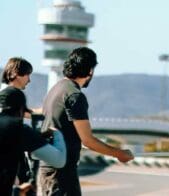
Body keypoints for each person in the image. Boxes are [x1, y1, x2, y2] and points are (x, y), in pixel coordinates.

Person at [38, 47, 134, 196]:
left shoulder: (56, 88)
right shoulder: (74, 96)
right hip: (61, 172)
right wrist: (119, 153)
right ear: (90, 70)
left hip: (50, 168)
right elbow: (87, 140)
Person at [0, 86, 66, 195]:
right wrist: (57, 134)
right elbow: (59, 160)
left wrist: (16, 191)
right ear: (21, 110)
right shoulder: (18, 128)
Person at [1, 57, 42, 196]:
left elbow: (27, 113)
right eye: (27, 75)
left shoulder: (5, 93)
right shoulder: (12, 94)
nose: (29, 80)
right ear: (16, 73)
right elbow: (28, 113)